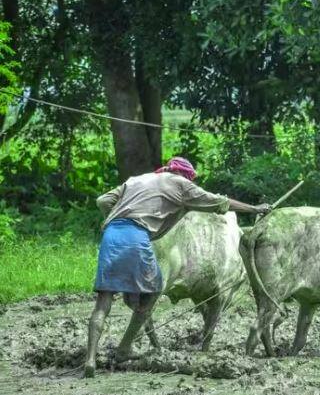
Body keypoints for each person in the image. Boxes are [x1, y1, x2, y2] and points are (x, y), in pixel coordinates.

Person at [83, 157, 270, 378]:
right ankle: (124, 348)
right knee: (152, 294)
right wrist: (254, 208)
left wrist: (116, 218)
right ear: (185, 175)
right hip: (137, 236)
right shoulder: (180, 184)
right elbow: (221, 203)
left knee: (104, 300)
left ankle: (90, 359)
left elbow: (102, 201)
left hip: (111, 235)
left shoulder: (137, 179)